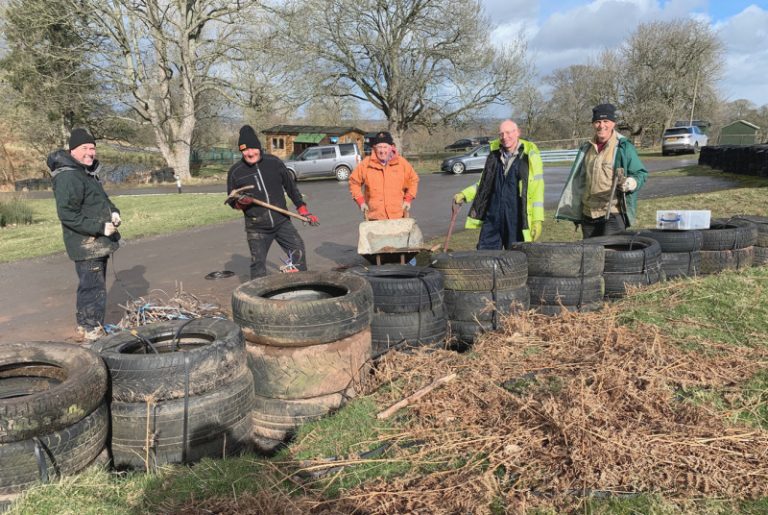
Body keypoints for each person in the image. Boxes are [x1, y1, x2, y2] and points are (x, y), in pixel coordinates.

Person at [48, 128, 121, 342]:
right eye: (84, 148)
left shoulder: (85, 172)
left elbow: (102, 199)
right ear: (72, 150)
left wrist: (114, 212)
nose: (90, 152)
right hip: (86, 243)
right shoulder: (68, 176)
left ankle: (83, 325)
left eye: (92, 148)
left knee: (90, 286)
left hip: (96, 241)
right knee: (93, 288)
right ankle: (92, 331)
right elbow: (67, 214)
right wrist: (100, 228)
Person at [226, 125, 319, 279]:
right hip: (257, 227)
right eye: (245, 150)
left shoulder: (274, 163)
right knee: (258, 265)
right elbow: (231, 201)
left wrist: (303, 209)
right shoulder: (236, 172)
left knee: (298, 252)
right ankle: (259, 299)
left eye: (252, 148)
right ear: (241, 151)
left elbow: (291, 188)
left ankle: (300, 286)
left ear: (259, 147)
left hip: (281, 221)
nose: (249, 153)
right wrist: (242, 203)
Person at [555, 103, 648, 238]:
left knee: (610, 255)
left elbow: (640, 174)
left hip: (613, 213)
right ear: (593, 124)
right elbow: (578, 181)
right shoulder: (586, 148)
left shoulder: (623, 147)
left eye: (606, 121)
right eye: (597, 121)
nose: (601, 125)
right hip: (588, 214)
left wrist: (631, 182)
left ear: (613, 123)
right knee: (590, 256)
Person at [453, 119, 544, 249]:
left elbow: (537, 191)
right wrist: (465, 194)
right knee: (486, 256)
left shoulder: (529, 156)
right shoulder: (495, 155)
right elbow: (485, 183)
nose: (505, 137)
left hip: (516, 218)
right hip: (493, 215)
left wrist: (537, 219)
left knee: (515, 258)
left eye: (508, 133)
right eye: (501, 134)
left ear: (518, 132)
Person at [349, 131, 419, 220]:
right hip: (375, 217)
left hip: (398, 216)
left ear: (391, 147)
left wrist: (408, 199)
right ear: (375, 148)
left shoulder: (401, 163)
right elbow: (354, 182)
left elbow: (413, 180)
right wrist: (361, 202)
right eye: (380, 147)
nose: (382, 151)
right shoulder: (366, 164)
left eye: (385, 147)